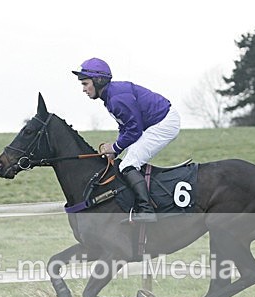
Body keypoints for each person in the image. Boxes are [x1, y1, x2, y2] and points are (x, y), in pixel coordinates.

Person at [72, 58, 181, 222]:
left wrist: (115, 148)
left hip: (164, 123)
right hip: (156, 122)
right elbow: (126, 127)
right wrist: (115, 152)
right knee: (127, 161)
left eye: (85, 83)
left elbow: (134, 130)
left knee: (128, 164)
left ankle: (146, 211)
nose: (84, 89)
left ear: (98, 80)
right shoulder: (110, 97)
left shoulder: (116, 99)